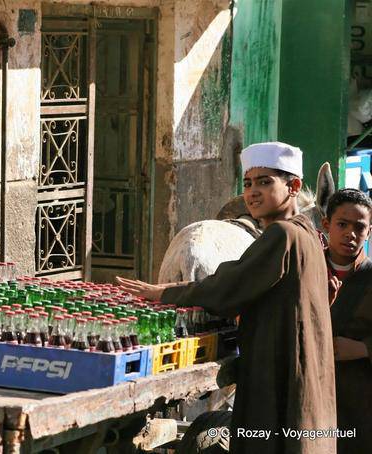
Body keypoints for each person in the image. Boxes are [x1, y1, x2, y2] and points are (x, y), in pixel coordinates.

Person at [118, 142, 336, 454]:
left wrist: (163, 292)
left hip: (277, 371)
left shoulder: (283, 235)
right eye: (248, 184)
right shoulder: (307, 234)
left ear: (294, 186)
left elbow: (227, 286)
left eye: (264, 182)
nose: (253, 193)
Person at [322, 188, 372, 453]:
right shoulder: (305, 270)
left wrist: (363, 348)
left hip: (359, 402)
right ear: (326, 224)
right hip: (311, 394)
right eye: (342, 224)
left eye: (359, 227)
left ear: (369, 231)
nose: (350, 233)